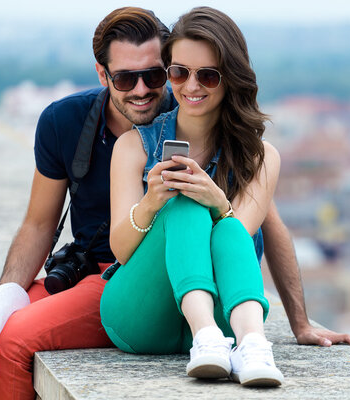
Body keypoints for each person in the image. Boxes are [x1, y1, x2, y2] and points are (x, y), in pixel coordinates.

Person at [0, 5, 350, 400]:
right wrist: (0, 300)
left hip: (147, 279)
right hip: (101, 273)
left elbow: (262, 222)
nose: (144, 90)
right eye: (125, 79)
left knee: (16, 338)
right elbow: (38, 225)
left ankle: (228, 339)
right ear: (102, 75)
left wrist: (300, 322)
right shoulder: (69, 122)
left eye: (156, 75)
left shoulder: (195, 106)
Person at [100, 6, 285, 386]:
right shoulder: (134, 146)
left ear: (230, 78)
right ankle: (206, 338)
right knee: (183, 205)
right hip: (140, 313)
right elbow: (119, 250)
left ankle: (251, 344)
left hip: (223, 313)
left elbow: (236, 237)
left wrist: (219, 201)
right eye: (179, 72)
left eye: (208, 75)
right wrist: (152, 202)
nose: (192, 86)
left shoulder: (261, 157)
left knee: (225, 222)